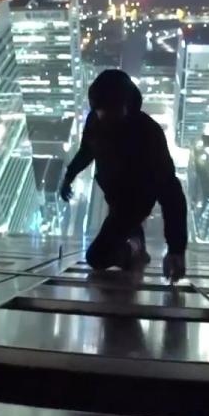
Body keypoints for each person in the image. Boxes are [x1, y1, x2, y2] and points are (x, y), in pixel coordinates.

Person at [60, 69, 188, 282]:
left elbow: (171, 194)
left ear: (127, 106)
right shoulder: (95, 121)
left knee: (97, 257)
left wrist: (176, 251)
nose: (106, 118)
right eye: (102, 111)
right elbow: (87, 150)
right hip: (114, 193)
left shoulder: (148, 134)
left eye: (112, 111)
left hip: (134, 203)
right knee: (122, 226)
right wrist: (69, 176)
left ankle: (135, 253)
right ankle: (136, 239)